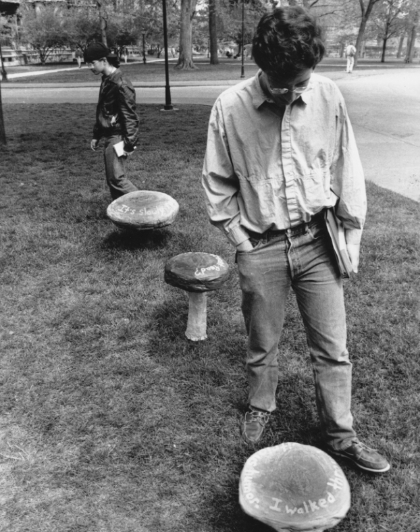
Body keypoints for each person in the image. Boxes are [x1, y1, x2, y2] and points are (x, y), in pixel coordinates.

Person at [202, 7, 390, 474]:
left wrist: (352, 233)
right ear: (261, 65)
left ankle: (341, 436)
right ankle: (261, 404)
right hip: (260, 247)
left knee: (333, 347)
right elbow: (217, 180)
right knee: (262, 341)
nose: (293, 93)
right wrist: (240, 239)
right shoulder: (229, 107)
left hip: (318, 242)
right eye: (283, 84)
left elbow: (347, 166)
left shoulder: (328, 94)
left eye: (301, 82)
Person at [84, 43, 139, 200]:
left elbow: (130, 116)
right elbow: (103, 110)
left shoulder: (121, 83)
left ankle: (147, 205)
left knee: (117, 179)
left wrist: (129, 143)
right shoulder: (107, 79)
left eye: (91, 63)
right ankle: (123, 212)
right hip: (109, 135)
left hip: (118, 137)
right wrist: (96, 135)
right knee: (112, 179)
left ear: (103, 60)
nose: (89, 66)